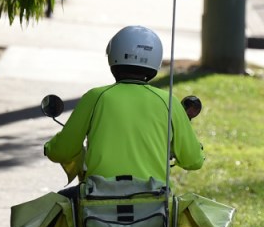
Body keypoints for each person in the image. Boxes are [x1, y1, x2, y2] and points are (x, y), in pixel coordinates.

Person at [43, 25, 204, 185]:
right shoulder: (168, 102)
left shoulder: (96, 97)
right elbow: (193, 161)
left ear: (113, 55)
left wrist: (51, 147)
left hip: (97, 201)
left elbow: (62, 152)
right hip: (153, 203)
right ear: (156, 61)